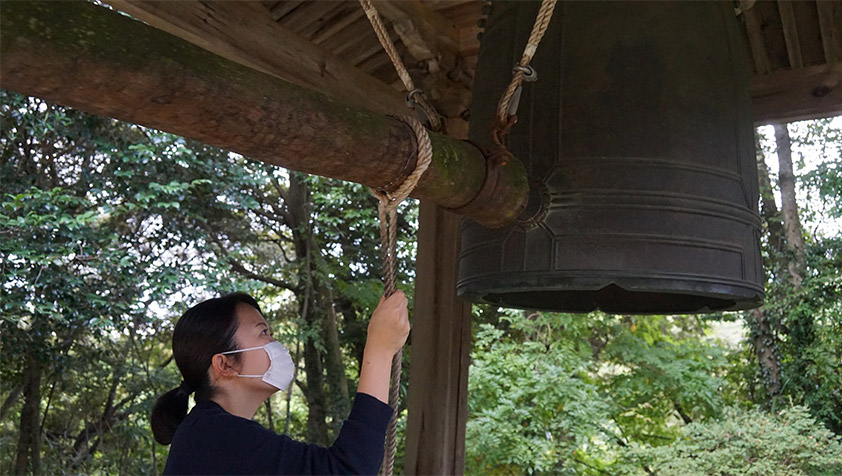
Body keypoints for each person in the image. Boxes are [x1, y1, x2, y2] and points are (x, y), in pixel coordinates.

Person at [151, 291, 410, 475]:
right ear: (226, 364)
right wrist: (380, 349)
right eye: (263, 333)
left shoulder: (211, 431)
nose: (275, 344)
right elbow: (347, 470)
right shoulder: (213, 435)